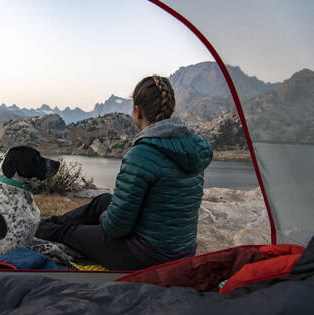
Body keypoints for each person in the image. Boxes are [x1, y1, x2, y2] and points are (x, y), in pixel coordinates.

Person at [35, 75, 213, 270]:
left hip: (147, 255)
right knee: (102, 200)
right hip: (182, 250)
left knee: (69, 232)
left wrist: (105, 216)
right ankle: (47, 222)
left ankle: (34, 229)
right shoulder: (192, 149)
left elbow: (116, 228)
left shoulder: (142, 154)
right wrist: (107, 211)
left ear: (137, 111)